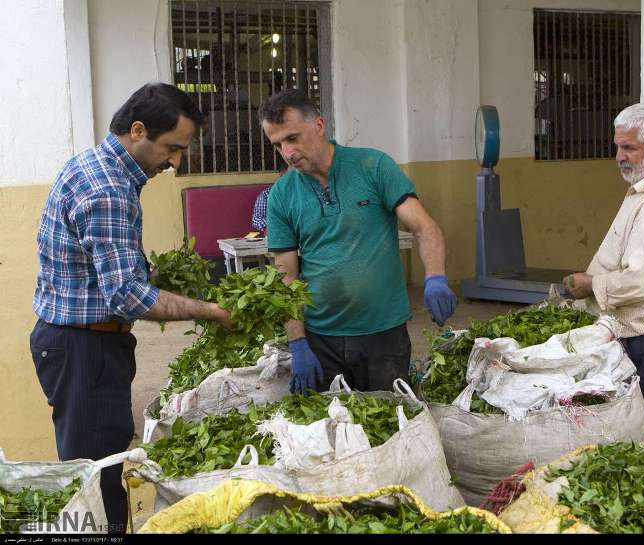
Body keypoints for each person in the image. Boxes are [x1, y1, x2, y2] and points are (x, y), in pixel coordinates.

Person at [30, 83, 234, 533]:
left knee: (96, 469)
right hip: (85, 350)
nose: (176, 162)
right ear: (138, 131)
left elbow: (107, 274)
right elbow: (127, 296)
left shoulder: (96, 166)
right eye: (172, 149)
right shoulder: (108, 189)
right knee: (98, 478)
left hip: (75, 343)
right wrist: (209, 310)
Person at [260, 89, 457, 394]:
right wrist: (297, 342)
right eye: (278, 145)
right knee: (331, 431)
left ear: (319, 125)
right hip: (320, 340)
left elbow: (424, 226)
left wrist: (436, 278)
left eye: (293, 138)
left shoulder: (372, 166)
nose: (287, 152)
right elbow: (286, 277)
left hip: (384, 334)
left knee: (390, 424)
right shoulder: (282, 195)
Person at [562, 103, 644, 437]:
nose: (619, 157)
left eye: (629, 148)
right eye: (617, 147)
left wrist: (591, 284)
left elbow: (643, 282)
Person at [251, 157, 287, 236]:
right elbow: (256, 220)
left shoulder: (302, 193)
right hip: (275, 236)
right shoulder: (266, 195)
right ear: (281, 174)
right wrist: (276, 222)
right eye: (288, 176)